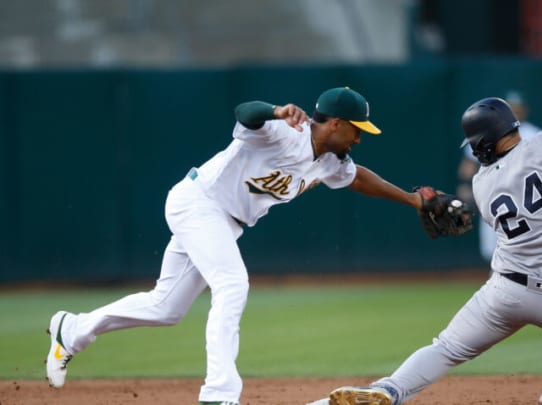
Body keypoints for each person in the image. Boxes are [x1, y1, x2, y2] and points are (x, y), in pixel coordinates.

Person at [45, 87, 441, 405]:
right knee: (233, 284)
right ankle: (219, 395)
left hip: (223, 222)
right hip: (199, 203)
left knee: (165, 307)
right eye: (356, 129)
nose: (359, 137)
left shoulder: (331, 161)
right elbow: (244, 112)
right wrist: (276, 110)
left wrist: (411, 200)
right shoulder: (288, 130)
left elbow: (357, 179)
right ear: (336, 123)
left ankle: (74, 329)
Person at [308, 42, 542, 405]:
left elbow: (525, 202)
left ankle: (390, 389)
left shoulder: (482, 182)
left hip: (508, 295)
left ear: (482, 142)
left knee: (445, 347)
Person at [456, 90, 541, 261]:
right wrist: (465, 188)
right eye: (511, 108)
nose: (516, 111)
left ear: (524, 110)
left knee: (528, 253)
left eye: (518, 108)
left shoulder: (536, 134)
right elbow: (467, 166)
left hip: (529, 200)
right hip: (497, 200)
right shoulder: (488, 134)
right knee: (493, 253)